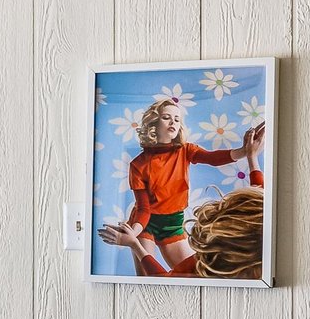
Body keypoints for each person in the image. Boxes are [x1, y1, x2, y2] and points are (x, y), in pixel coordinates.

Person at [102, 97, 265, 272]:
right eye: (166, 117)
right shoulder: (138, 165)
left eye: (177, 119)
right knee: (146, 280)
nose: (173, 121)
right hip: (144, 223)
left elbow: (212, 158)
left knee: (192, 273)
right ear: (153, 124)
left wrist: (245, 151)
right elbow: (144, 209)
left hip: (173, 222)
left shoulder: (185, 150)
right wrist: (133, 234)